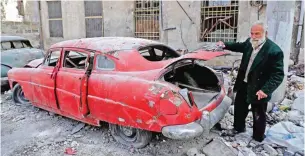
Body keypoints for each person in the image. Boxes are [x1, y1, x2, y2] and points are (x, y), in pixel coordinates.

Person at [217, 20, 284, 142]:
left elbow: (278, 75)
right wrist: (225, 44)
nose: (253, 36)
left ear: (265, 33)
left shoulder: (274, 51)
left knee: (258, 113)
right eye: (252, 33)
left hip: (260, 87)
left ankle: (258, 137)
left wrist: (266, 90)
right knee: (239, 107)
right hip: (244, 83)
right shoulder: (250, 43)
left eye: (257, 34)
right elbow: (239, 46)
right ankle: (238, 128)